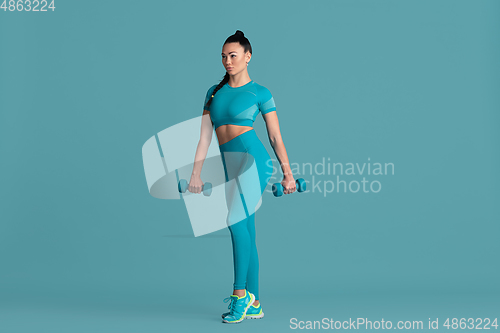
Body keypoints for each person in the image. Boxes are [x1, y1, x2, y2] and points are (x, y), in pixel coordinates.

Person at [188, 30, 296, 324]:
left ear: (248, 57)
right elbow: (203, 138)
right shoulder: (213, 92)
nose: (227, 61)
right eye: (223, 56)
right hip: (229, 165)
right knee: (246, 229)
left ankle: (239, 296)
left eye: (233, 55)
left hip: (254, 162)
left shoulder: (260, 93)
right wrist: (195, 174)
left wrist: (288, 175)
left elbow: (275, 136)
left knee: (235, 222)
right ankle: (256, 302)